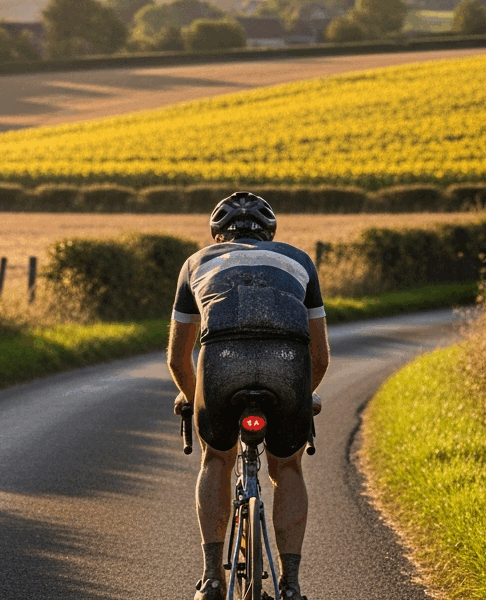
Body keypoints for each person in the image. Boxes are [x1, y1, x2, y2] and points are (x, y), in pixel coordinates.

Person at [167, 191, 330, 600]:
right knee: (287, 468)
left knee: (216, 457)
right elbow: (320, 355)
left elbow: (177, 357)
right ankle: (290, 585)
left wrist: (193, 398)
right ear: (270, 232)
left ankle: (211, 579)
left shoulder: (196, 263)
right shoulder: (299, 260)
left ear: (217, 234)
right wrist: (302, 395)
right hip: (287, 364)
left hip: (220, 364)